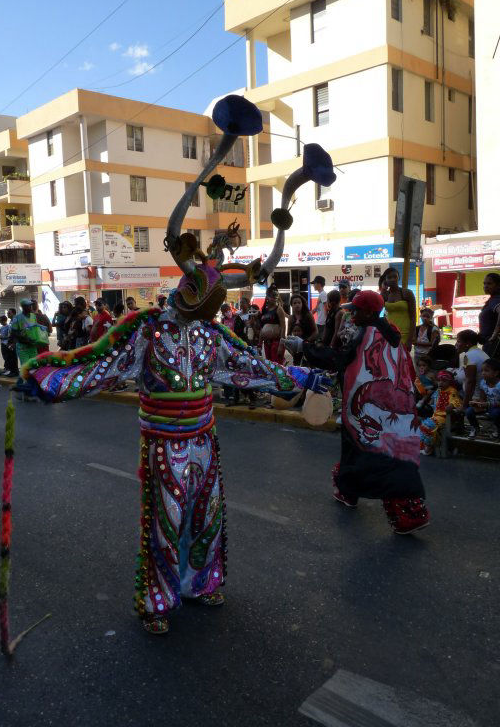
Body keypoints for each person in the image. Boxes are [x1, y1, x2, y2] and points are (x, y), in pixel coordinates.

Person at [20, 94, 334, 635]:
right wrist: (49, 377)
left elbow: (252, 366)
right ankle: (158, 601)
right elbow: (99, 362)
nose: (205, 307)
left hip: (204, 438)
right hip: (163, 441)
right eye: (202, 296)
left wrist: (305, 377)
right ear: (184, 292)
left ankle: (203, 583)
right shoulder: (145, 329)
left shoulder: (211, 337)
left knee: (206, 516)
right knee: (164, 522)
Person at [287, 290, 430, 535]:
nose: (351, 315)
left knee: (375, 457)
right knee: (378, 455)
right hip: (396, 407)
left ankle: (405, 515)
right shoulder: (391, 331)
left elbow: (339, 359)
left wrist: (304, 347)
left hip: (369, 409)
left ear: (367, 312)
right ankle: (349, 492)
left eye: (355, 311)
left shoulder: (367, 335)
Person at [419, 370, 462, 455]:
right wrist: (428, 404)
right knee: (423, 424)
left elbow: (455, 401)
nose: (440, 383)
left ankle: (429, 448)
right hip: (435, 415)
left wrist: (451, 405)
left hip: (445, 417)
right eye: (439, 380)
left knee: (428, 425)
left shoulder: (451, 391)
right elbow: (432, 401)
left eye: (444, 381)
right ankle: (427, 445)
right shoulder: (438, 390)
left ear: (450, 381)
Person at [10, 299, 50, 382]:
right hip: (22, 347)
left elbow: (35, 328)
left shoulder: (33, 316)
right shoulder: (17, 318)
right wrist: (24, 339)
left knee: (34, 366)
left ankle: (32, 384)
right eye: (28, 305)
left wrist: (41, 330)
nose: (30, 307)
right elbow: (14, 332)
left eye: (30, 305)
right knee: (26, 367)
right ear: (23, 307)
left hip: (33, 346)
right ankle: (25, 385)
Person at [379, 267, 416, 350]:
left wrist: (410, 340)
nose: (392, 279)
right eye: (389, 277)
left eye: (394, 277)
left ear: (398, 278)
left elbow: (413, 317)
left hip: (405, 334)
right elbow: (376, 310)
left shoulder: (407, 293)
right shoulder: (385, 295)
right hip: (390, 333)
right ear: (385, 280)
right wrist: (382, 290)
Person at [465, 358, 500, 439]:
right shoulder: (483, 383)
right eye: (482, 371)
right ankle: (475, 428)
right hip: (488, 407)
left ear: (496, 373)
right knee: (469, 411)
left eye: (486, 371)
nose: (483, 373)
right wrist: (477, 403)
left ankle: (498, 429)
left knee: (495, 413)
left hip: (497, 408)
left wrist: (488, 404)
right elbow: (482, 398)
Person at [455, 329, 489, 411]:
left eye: (459, 342)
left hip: (475, 397)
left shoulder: (468, 356)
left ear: (468, 343)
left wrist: (464, 405)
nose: (456, 344)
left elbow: (470, 383)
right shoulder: (478, 352)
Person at [259, 285, 287, 364]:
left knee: (277, 366)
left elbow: (283, 327)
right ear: (267, 297)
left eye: (275, 296)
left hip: (276, 342)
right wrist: (259, 344)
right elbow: (262, 328)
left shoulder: (278, 309)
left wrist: (281, 344)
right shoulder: (264, 310)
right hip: (267, 343)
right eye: (272, 296)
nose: (274, 298)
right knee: (269, 365)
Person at [479, 273, 500, 357]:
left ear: (498, 285)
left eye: (489, 283)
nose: (485, 286)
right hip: (489, 342)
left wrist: (495, 334)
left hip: (493, 343)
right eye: (484, 283)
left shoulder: (496, 299)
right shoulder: (493, 299)